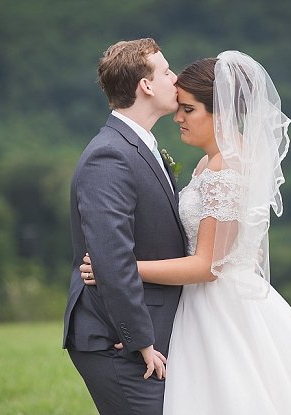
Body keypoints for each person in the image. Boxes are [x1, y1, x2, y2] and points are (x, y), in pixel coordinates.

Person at [82, 51, 291, 414]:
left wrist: (122, 268)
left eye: (189, 110)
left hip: (218, 305)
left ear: (222, 114)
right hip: (202, 302)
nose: (178, 118)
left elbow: (206, 266)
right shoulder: (209, 163)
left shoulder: (227, 167)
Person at [62, 38, 189, 415]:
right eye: (166, 71)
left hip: (146, 334)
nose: (175, 78)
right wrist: (140, 341)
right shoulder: (109, 155)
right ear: (145, 86)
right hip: (117, 340)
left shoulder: (141, 146)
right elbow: (111, 256)